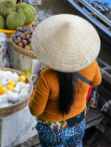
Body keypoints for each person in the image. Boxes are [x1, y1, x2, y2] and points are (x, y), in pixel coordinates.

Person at [29, 14, 102, 147]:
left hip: (53, 130)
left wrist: (33, 91)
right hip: (78, 122)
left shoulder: (46, 76)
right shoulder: (91, 63)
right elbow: (96, 82)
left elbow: (35, 111)